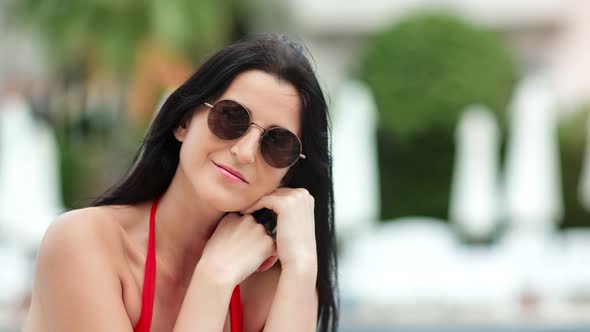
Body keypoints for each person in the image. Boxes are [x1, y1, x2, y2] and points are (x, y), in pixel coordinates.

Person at [22, 34, 338, 332]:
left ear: (290, 174)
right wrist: (213, 280)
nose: (244, 152)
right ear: (183, 121)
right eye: (231, 118)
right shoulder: (85, 244)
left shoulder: (273, 284)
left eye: (277, 143)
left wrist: (302, 268)